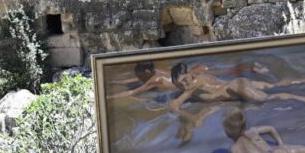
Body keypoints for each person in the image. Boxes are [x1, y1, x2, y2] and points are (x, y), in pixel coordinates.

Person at [168, 62, 305, 116]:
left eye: (184, 80)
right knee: (275, 86)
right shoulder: (201, 77)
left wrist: (189, 116)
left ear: (189, 74)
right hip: (239, 83)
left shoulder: (194, 85)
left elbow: (176, 104)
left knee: (266, 99)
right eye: (181, 85)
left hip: (234, 87)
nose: (185, 85)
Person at [107, 60, 270, 100]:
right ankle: (251, 67)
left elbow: (133, 91)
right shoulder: (156, 71)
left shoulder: (153, 80)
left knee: (223, 80)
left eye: (140, 75)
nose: (138, 78)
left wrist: (110, 97)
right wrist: (115, 82)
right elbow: (132, 80)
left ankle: (249, 70)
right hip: (195, 70)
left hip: (187, 82)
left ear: (147, 72)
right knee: (225, 72)